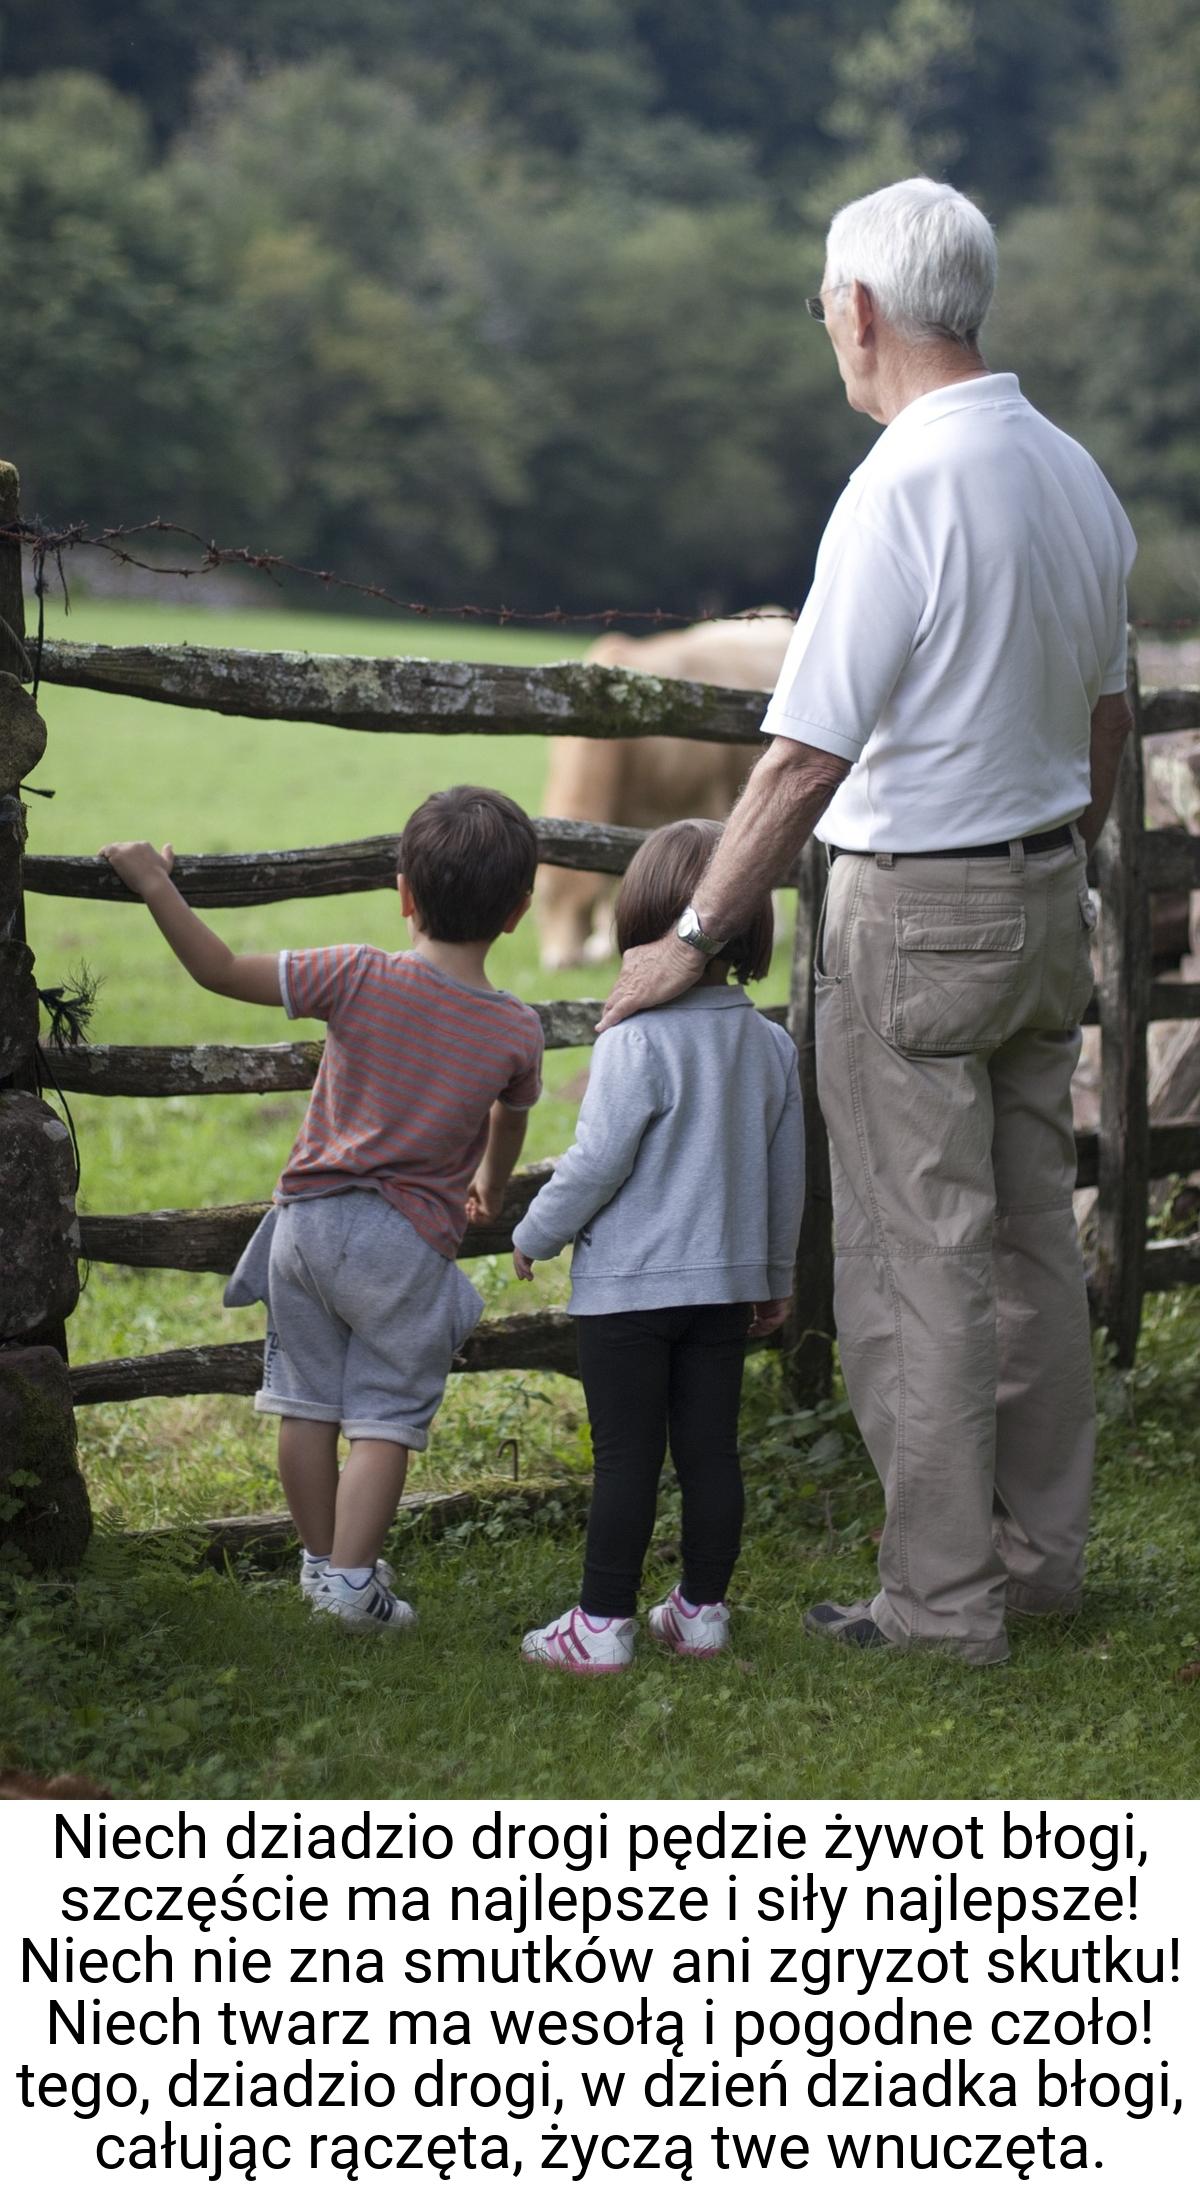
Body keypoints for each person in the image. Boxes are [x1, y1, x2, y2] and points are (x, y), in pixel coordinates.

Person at [598, 177, 1136, 1668]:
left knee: (920, 1261)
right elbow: (1106, 725)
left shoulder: (902, 485)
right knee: (1032, 1243)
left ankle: (942, 1603)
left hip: (919, 913)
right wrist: (1051, 854)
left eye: (822, 307)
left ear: (860, 310)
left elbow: (802, 759)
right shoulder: (1074, 472)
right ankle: (1041, 1565)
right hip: (1045, 899)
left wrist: (694, 935)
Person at [101, 786, 543, 1634]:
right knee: (385, 1417)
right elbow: (511, 1119)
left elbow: (218, 971)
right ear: (521, 911)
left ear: (404, 892)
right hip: (404, 1247)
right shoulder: (514, 1032)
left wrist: (155, 881)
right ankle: (350, 1585)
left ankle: (317, 1563)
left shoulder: (355, 973)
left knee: (304, 1401)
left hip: (302, 1225)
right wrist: (491, 1181)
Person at [512, 819, 804, 1673]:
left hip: (629, 1295)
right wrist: (775, 1277)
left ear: (642, 915)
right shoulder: (772, 1044)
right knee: (711, 1449)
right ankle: (700, 1612)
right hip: (722, 1292)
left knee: (627, 1458)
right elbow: (787, 1175)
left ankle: (601, 1626)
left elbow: (597, 1161)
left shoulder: (633, 1038)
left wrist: (537, 1231)